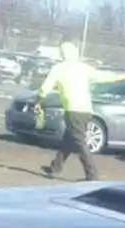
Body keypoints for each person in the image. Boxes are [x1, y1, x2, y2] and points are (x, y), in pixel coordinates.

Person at [35, 41, 100, 181]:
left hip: (73, 109)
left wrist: (39, 100)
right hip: (86, 110)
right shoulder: (84, 68)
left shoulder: (58, 68)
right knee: (69, 140)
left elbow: (45, 87)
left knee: (79, 141)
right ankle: (55, 168)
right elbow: (103, 76)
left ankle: (92, 174)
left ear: (62, 54)